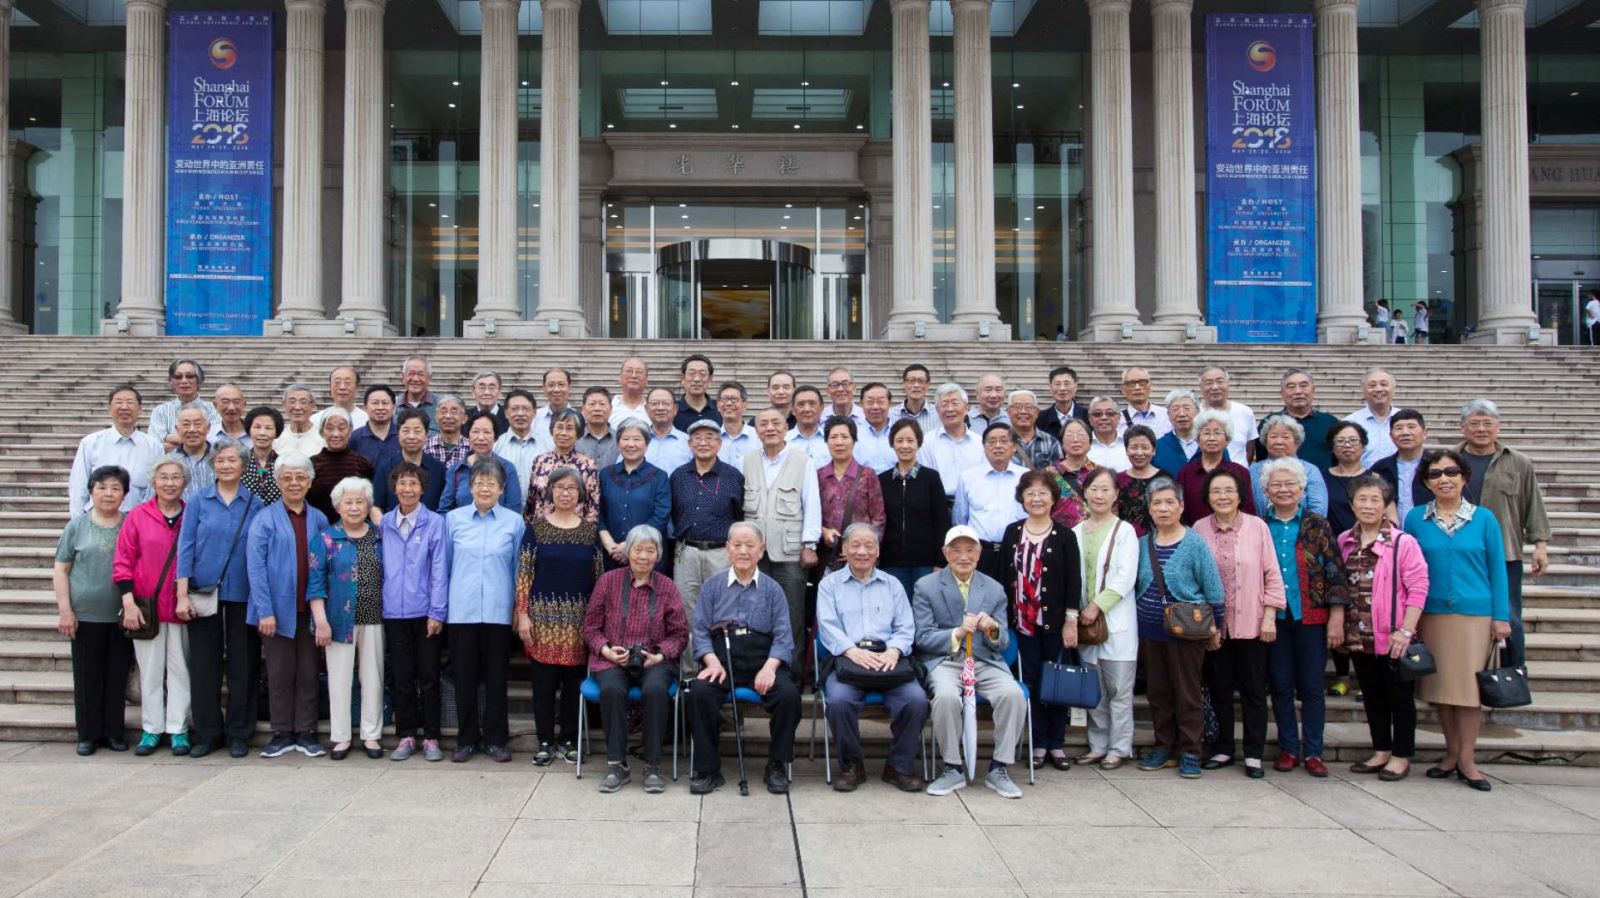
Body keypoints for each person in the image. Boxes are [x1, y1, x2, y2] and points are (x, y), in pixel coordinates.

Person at [1405, 449, 1510, 792]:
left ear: (1464, 478)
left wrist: (1501, 616)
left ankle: (1467, 759)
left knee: (1467, 692)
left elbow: (1498, 570)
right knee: (1442, 690)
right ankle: (1450, 754)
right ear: (1426, 482)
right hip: (1432, 614)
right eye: (1435, 474)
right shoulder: (1415, 519)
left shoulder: (1484, 519)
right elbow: (1410, 568)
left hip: (1474, 616)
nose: (1444, 479)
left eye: (1451, 472)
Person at [689, 522, 802, 795]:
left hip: (763, 660)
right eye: (737, 545)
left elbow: (784, 636)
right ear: (727, 549)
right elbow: (700, 631)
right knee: (699, 693)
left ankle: (776, 765)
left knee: (789, 696)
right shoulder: (712, 586)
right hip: (722, 658)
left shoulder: (773, 589)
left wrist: (770, 668)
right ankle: (708, 769)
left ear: (761, 550)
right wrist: (711, 662)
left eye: (750, 546)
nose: (743, 551)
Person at [914, 526, 1026, 799]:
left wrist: (993, 630)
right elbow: (922, 638)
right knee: (946, 697)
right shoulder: (926, 586)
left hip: (985, 660)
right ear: (945, 553)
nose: (963, 557)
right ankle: (952, 767)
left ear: (979, 554)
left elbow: (1003, 643)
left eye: (970, 550)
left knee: (1013, 695)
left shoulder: (994, 589)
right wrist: (956, 632)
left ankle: (999, 767)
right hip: (946, 660)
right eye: (956, 550)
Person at [817, 525, 930, 792]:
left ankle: (898, 767)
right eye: (855, 545)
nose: (862, 551)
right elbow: (827, 625)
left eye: (869, 545)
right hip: (849, 659)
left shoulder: (893, 585)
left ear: (878, 551)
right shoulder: (829, 585)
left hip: (888, 660)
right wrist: (852, 651)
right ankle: (852, 766)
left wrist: (894, 651)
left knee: (915, 700)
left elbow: (906, 627)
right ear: (844, 549)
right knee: (839, 701)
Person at [1193, 467, 1286, 777]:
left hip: (1253, 623)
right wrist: (1207, 625)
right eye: (1216, 491)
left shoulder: (1257, 527)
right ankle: (1223, 748)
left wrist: (1270, 616)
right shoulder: (1199, 529)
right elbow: (1195, 580)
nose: (1222, 496)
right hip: (1215, 626)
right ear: (1208, 496)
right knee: (1218, 688)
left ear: (1240, 495)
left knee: (1253, 691)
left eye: (1228, 490)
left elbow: (1272, 573)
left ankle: (1254, 753)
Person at [1259, 458, 1348, 778]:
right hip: (1274, 619)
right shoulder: (1260, 525)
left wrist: (1336, 616)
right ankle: (1287, 748)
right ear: (1266, 490)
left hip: (1311, 617)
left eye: (1290, 484)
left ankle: (1313, 751)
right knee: (1281, 684)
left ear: (1301, 489)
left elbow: (1335, 570)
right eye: (1276, 485)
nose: (1283, 490)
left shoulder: (1317, 524)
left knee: (1311, 686)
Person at [583, 524, 688, 793]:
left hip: (654, 659)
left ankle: (653, 766)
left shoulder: (667, 586)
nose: (643, 556)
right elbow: (590, 627)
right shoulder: (608, 581)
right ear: (628, 552)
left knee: (655, 690)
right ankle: (616, 765)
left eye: (650, 551)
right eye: (638, 550)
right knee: (612, 689)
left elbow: (679, 634)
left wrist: (660, 654)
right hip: (613, 658)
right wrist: (606, 650)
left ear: (658, 555)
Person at [1339, 473, 1428, 781]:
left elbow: (1418, 586)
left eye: (1375, 500)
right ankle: (1381, 750)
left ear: (1386, 504)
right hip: (1358, 635)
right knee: (1373, 696)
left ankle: (1401, 755)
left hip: (1392, 635)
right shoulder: (1345, 541)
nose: (1368, 505)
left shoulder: (1403, 542)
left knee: (1399, 698)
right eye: (1362, 499)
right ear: (1352, 504)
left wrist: (1406, 630)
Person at [174, 439, 260, 759]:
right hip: (203, 591)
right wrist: (181, 594)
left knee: (243, 664)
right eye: (220, 460)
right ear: (213, 465)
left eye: (232, 460)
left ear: (244, 466)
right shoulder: (199, 500)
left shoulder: (255, 503)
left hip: (243, 593)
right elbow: (185, 546)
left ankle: (239, 732)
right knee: (204, 664)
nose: (225, 465)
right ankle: (207, 733)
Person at [1134, 477, 1226, 778]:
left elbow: (1213, 588)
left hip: (1187, 631)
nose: (1163, 509)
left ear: (1181, 506)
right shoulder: (1143, 544)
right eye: (1157, 503)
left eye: (1169, 502)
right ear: (1149, 509)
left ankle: (1190, 751)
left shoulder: (1193, 543)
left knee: (1188, 693)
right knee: (1158, 693)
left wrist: (1217, 627)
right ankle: (1164, 746)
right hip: (1150, 632)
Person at [516, 467, 605, 767]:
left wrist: (598, 622)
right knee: (543, 685)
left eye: (571, 488)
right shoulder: (536, 529)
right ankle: (544, 741)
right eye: (560, 488)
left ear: (580, 494)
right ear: (550, 492)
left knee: (573, 686)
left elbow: (599, 579)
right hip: (542, 621)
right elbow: (524, 576)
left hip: (579, 623)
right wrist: (523, 615)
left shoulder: (590, 532)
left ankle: (569, 740)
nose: (565, 493)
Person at [248, 453, 331, 759]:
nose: (294, 483)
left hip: (310, 609)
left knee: (309, 672)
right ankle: (281, 732)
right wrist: (264, 610)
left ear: (309, 482)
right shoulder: (265, 518)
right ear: (278, 481)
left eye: (300, 477)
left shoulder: (319, 518)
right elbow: (256, 567)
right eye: (287, 477)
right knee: (279, 672)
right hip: (275, 610)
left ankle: (306, 732)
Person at [1457, 398, 1549, 670]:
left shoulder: (1518, 462)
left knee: (1508, 616)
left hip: (1505, 553)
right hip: (1461, 553)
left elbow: (1533, 504)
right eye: (1474, 423)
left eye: (1487, 423)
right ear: (1462, 427)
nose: (1481, 429)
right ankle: (1470, 672)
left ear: (1498, 426)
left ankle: (1513, 673)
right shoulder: (1450, 461)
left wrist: (1540, 546)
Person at [444, 458, 526, 763]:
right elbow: (445, 566)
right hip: (461, 611)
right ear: (470, 487)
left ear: (502, 489)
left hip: (498, 611)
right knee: (464, 677)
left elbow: (519, 569)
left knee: (496, 678)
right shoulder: (453, 520)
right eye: (480, 483)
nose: (485, 488)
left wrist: (518, 609)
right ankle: (466, 740)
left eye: (492, 484)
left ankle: (496, 740)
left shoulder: (514, 522)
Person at [998, 471, 1081, 770]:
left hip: (1055, 624)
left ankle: (1056, 743)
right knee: (1030, 682)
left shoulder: (1065, 536)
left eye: (1043, 493)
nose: (1036, 499)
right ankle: (1038, 742)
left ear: (1053, 498)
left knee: (1056, 682)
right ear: (1022, 498)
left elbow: (1074, 581)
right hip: (1021, 623)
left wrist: (1071, 621)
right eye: (1030, 493)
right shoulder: (1012, 532)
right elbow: (1002, 577)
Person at [113, 454, 191, 756]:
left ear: (184, 482)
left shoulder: (191, 514)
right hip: (146, 606)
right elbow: (123, 561)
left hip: (181, 606)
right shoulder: (138, 516)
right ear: (154, 482)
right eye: (163, 477)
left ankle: (178, 728)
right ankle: (152, 728)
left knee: (181, 669)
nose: (169, 483)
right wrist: (128, 602)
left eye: (175, 477)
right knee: (150, 670)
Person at [54, 465, 133, 755]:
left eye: (115, 488)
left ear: (124, 494)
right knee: (88, 677)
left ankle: (113, 733)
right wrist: (65, 610)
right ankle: (88, 734)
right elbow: (61, 570)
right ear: (91, 491)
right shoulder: (77, 526)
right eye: (102, 487)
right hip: (85, 616)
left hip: (122, 616)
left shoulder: (130, 524)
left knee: (116, 676)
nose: (108, 493)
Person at [307, 476, 387, 760]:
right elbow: (315, 584)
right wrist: (321, 622)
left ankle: (371, 735)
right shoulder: (325, 539)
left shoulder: (380, 536)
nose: (354, 507)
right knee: (339, 679)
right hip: (337, 620)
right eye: (348, 502)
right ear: (338, 507)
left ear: (368, 505)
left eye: (360, 502)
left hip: (375, 616)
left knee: (373, 678)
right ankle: (341, 737)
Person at [380, 461, 449, 762]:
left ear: (422, 489)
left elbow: (439, 571)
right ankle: (406, 734)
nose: (407, 489)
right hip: (394, 612)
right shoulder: (384, 523)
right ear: (394, 488)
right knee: (402, 676)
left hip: (425, 613)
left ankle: (432, 737)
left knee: (429, 676)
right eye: (402, 483)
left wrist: (437, 612)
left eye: (413, 483)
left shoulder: (434, 523)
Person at [1073, 468, 1140, 769]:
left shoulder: (1124, 531)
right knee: (1095, 691)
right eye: (1094, 489)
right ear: (1084, 493)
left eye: (1105, 489)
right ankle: (1098, 745)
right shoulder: (1076, 531)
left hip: (1115, 621)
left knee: (1119, 691)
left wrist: (1097, 606)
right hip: (1085, 623)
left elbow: (1126, 577)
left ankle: (1120, 747)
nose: (1099, 495)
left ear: (1116, 495)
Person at [743, 408, 821, 655]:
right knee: (757, 612)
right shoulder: (748, 460)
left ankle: (791, 670)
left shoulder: (802, 460)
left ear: (786, 428)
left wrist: (810, 544)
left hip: (790, 551)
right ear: (756, 431)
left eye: (775, 423)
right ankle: (761, 665)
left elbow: (812, 503)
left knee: (791, 613)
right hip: (755, 553)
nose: (770, 428)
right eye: (763, 424)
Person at [670, 420, 746, 671]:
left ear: (720, 443)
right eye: (698, 438)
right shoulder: (678, 476)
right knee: (686, 613)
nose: (703, 443)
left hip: (721, 553)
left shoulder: (733, 476)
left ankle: (723, 670)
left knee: (724, 610)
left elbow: (740, 515)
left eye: (710, 437)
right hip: (687, 552)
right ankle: (690, 673)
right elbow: (674, 513)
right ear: (689, 444)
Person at [879, 419, 950, 598]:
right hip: (892, 560)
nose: (905, 446)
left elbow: (941, 521)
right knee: (897, 605)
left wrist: (941, 561)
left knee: (924, 605)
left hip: (926, 561)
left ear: (918, 443)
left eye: (910, 440)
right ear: (892, 444)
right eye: (899, 440)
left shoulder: (931, 478)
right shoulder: (882, 480)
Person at [70, 384, 162, 517]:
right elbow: (78, 487)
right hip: (99, 519)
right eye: (118, 402)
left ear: (140, 409)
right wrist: (78, 522)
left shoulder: (154, 446)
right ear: (109, 409)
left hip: (138, 520)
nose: (124, 407)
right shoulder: (90, 443)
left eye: (130, 402)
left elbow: (155, 489)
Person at [952, 423, 1026, 583]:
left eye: (1003, 441)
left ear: (1014, 446)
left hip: (1017, 551)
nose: (997, 446)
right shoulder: (968, 477)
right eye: (992, 441)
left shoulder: (1025, 477)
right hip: (981, 553)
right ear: (984, 447)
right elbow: (960, 520)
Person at [598, 418, 672, 571]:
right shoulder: (605, 475)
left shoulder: (659, 477)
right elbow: (597, 513)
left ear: (647, 444)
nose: (630, 444)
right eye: (625, 439)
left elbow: (661, 516)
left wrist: (629, 546)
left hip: (647, 556)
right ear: (618, 443)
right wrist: (610, 545)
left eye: (637, 439)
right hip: (611, 554)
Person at [819, 416, 888, 569]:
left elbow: (878, 519)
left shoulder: (867, 475)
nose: (839, 442)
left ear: (854, 440)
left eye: (845, 437)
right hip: (828, 557)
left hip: (862, 556)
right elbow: (810, 516)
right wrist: (823, 532)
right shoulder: (819, 476)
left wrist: (862, 547)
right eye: (833, 437)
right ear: (826, 441)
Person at [1176, 410, 1256, 525]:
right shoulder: (1186, 473)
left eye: (1217, 433)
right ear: (1198, 439)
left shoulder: (1240, 472)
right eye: (1206, 433)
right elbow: (1180, 510)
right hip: (1194, 533)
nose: (1212, 438)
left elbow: (1248, 510)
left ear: (1227, 440)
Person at [525, 408, 601, 524]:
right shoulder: (540, 461)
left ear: (578, 433)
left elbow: (593, 506)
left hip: (575, 530)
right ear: (552, 430)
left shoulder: (587, 464)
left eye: (569, 428)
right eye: (559, 427)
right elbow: (531, 501)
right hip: (541, 529)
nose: (563, 433)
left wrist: (586, 532)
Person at [440, 411, 523, 514]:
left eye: (487, 432)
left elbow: (513, 510)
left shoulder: (507, 468)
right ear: (468, 435)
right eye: (475, 431)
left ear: (495, 437)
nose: (481, 438)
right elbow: (444, 510)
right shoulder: (456, 469)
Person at [1249, 415, 1329, 517]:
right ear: (1265, 441)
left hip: (1303, 526)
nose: (1279, 442)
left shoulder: (1310, 470)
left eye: (1285, 437)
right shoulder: (1253, 470)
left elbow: (1318, 509)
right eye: (1273, 436)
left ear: (1297, 442)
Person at [1260, 369, 1339, 470]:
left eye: (1303, 385)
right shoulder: (1270, 424)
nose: (1298, 391)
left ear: (1313, 391)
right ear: (1282, 394)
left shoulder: (1331, 423)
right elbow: (1262, 458)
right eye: (1291, 387)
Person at [917, 384, 985, 498]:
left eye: (955, 403)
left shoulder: (980, 442)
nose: (950, 409)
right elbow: (924, 481)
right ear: (937, 411)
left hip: (974, 501)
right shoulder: (927, 442)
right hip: (940, 502)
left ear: (966, 408)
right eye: (944, 404)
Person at [308, 409, 376, 520]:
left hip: (356, 525)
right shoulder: (312, 464)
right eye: (330, 428)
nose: (336, 434)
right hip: (320, 526)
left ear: (350, 430)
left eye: (342, 428)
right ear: (322, 431)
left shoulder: (363, 463)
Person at [373, 408, 447, 512]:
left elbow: (445, 507)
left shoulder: (439, 469)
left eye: (417, 431)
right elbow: (376, 507)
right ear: (398, 434)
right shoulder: (385, 467)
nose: (411, 436)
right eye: (406, 431)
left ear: (426, 435)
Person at [1370, 409, 1432, 525]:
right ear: (1391, 436)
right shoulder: (1380, 469)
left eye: (1411, 427)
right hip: (1391, 532)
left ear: (1425, 433)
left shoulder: (1437, 466)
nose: (1405, 432)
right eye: (1398, 428)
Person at [148, 360, 221, 450]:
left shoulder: (214, 410)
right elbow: (154, 447)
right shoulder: (160, 411)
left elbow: (216, 443)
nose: (184, 381)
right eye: (178, 377)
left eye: (189, 376)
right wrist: (197, 443)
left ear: (199, 380)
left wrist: (170, 438)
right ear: (172, 382)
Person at [1197, 366, 1256, 465]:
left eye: (1220, 382)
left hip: (1238, 473)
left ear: (1228, 384)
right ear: (1201, 387)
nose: (1215, 387)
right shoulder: (1194, 414)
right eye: (1209, 383)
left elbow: (1250, 450)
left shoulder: (1245, 412)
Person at [1344, 368, 1400, 467]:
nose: (1378, 389)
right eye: (1372, 385)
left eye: (1384, 384)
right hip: (1363, 476)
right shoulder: (1350, 422)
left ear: (1394, 389)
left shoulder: (1405, 420)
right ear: (1363, 391)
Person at [1323, 421, 1370, 538]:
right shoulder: (1321, 478)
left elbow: (1390, 517)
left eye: (1353, 440)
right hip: (1330, 542)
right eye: (1340, 441)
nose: (1347, 445)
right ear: (1332, 447)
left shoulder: (1375, 479)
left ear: (1363, 446)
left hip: (1367, 542)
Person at [1049, 418, 1098, 529]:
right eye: (1070, 435)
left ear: (1090, 442)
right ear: (1062, 442)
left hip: (1098, 534)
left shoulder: (1100, 473)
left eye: (1081, 435)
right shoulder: (1048, 475)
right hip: (1060, 535)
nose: (1075, 439)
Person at [495, 388, 545, 492]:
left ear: (534, 413)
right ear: (506, 413)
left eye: (526, 409)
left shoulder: (547, 445)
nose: (520, 413)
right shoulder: (496, 446)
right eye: (514, 409)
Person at [1116, 425, 1161, 535]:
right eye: (1134, 447)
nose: (1139, 453)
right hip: (1124, 539)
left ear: (1154, 450)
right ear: (1126, 450)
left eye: (1145, 447)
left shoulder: (1165, 479)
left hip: (1158, 539)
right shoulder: (1117, 480)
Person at [170, 404, 217, 500]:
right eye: (186, 425)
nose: (192, 430)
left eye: (197, 424)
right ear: (177, 429)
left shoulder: (221, 458)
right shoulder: (168, 462)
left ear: (208, 428)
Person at [1008, 390, 1062, 469]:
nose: (1023, 411)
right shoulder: (1001, 441)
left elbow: (1059, 475)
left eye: (1028, 407)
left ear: (1036, 412)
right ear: (1009, 412)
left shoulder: (1052, 443)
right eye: (1017, 407)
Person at [240, 405, 283, 505]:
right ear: (249, 430)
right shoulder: (240, 463)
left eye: (268, 428)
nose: (262, 433)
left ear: (276, 432)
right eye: (257, 427)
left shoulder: (283, 464)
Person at [643, 386, 692, 473]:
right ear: (646, 409)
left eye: (666, 403)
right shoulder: (636, 442)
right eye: (654, 403)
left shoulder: (689, 442)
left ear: (675, 409)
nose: (660, 408)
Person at [1153, 389, 1201, 477]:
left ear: (1198, 412)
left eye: (1187, 408)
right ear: (1168, 414)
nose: (1182, 414)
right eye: (1175, 409)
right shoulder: (1158, 446)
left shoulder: (1211, 442)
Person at [348, 384, 398, 464]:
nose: (380, 407)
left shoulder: (402, 434)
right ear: (365, 407)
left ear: (393, 407)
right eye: (375, 403)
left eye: (385, 403)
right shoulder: (354, 438)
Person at [309, 366, 370, 432]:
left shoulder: (368, 421)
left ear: (356, 388)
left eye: (347, 382)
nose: (342, 387)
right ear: (330, 387)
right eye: (337, 382)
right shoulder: (316, 420)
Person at [714, 381, 759, 467]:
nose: (729, 403)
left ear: (744, 405)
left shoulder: (758, 437)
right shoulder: (712, 439)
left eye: (734, 399)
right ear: (718, 405)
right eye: (724, 399)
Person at [855, 382, 898, 472]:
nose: (875, 407)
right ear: (861, 404)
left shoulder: (900, 432)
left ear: (889, 403)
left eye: (880, 402)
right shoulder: (853, 434)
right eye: (870, 402)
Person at [1037, 365, 1090, 437]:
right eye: (1058, 384)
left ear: (1075, 387)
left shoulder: (1088, 417)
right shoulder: (1040, 419)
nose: (1062, 388)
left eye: (1067, 384)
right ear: (1050, 388)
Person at [1118, 367, 1171, 438]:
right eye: (1131, 383)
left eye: (1142, 382)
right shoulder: (1117, 420)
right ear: (1123, 390)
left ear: (1150, 386)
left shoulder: (1167, 416)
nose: (1137, 387)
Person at [785, 385, 831, 466]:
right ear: (793, 410)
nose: (807, 409)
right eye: (801, 404)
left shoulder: (832, 440)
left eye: (812, 404)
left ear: (822, 408)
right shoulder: (783, 442)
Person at [576, 386, 620, 469]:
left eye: (602, 404)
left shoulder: (620, 439)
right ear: (583, 409)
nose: (597, 409)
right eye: (592, 404)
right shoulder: (574, 439)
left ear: (611, 409)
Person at [274, 384, 324, 457]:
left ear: (312, 405)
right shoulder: (277, 439)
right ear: (284, 405)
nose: (297, 407)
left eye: (303, 402)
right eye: (292, 402)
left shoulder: (323, 439)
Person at [674, 353, 721, 430]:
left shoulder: (720, 408)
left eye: (702, 374)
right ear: (682, 378)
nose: (697, 379)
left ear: (710, 380)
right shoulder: (672, 410)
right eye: (692, 374)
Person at [422, 396, 469, 470]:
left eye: (453, 412)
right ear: (436, 417)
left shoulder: (471, 448)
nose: (448, 416)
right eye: (443, 412)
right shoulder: (425, 447)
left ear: (464, 419)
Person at [890, 363, 939, 434]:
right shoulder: (890, 415)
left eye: (921, 381)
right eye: (912, 381)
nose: (916, 385)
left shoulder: (939, 414)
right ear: (903, 384)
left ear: (928, 384)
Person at [533, 367, 575, 448]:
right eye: (551, 385)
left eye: (561, 385)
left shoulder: (579, 418)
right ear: (544, 389)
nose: (556, 390)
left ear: (569, 388)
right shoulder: (534, 417)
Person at [1086, 397, 1131, 472]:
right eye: (1097, 414)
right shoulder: (1082, 446)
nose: (1104, 418)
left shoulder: (1129, 444)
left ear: (1119, 418)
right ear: (1090, 419)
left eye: (1110, 413)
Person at [398, 355, 438, 433]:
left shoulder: (440, 406)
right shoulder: (393, 407)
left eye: (421, 374)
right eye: (411, 373)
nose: (415, 379)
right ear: (403, 377)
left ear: (429, 378)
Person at [609, 355, 651, 428]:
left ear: (646, 380)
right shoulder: (610, 406)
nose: (634, 376)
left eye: (639, 372)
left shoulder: (653, 408)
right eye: (629, 371)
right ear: (620, 377)